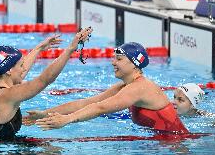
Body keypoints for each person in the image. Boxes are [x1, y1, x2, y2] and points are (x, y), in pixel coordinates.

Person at [23, 42, 189, 134]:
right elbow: (88, 102)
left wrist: (67, 119)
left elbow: (100, 108)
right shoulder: (126, 86)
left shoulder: (141, 87)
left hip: (175, 147)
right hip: (160, 144)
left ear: (134, 64)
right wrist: (45, 113)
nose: (112, 62)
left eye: (119, 59)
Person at [0, 27, 93, 140]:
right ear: (9, 71)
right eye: (20, 66)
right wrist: (70, 49)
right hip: (4, 151)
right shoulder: (8, 94)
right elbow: (45, 79)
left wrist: (39, 48)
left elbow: (22, 69)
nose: (23, 70)